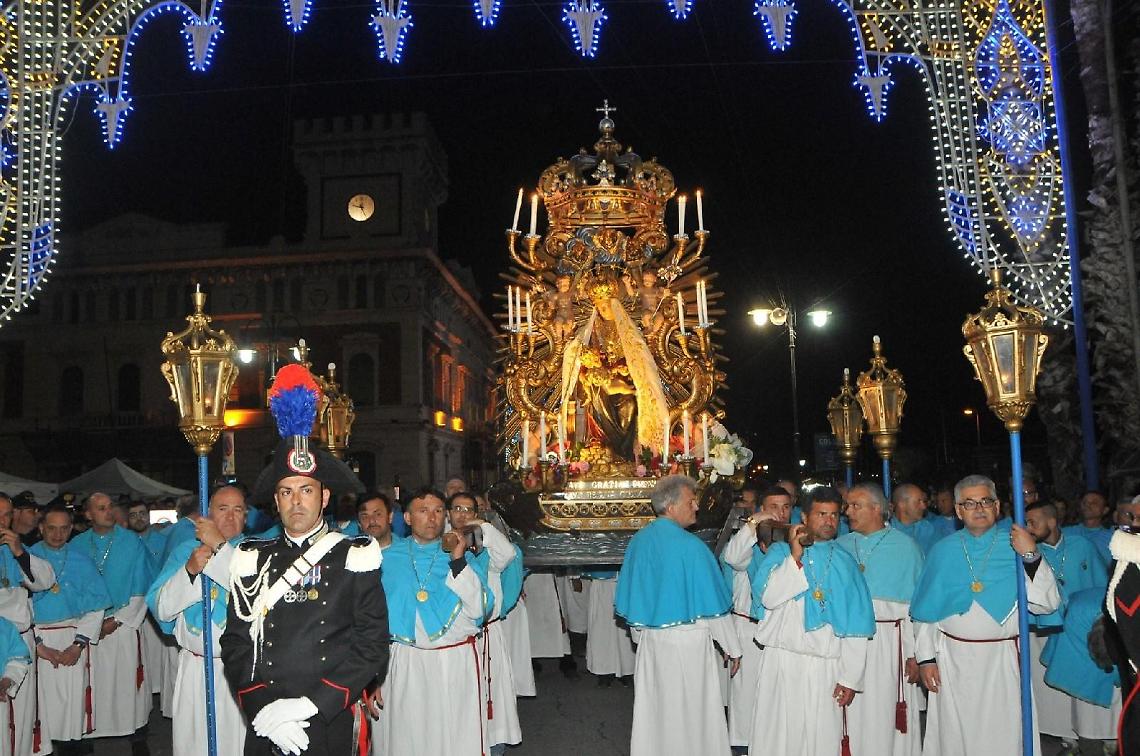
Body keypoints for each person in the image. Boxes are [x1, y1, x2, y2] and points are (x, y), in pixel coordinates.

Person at [222, 364, 389, 756]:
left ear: (325, 497)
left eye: (306, 490)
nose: (296, 501)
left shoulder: (355, 555)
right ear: (275, 500)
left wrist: (311, 705)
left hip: (328, 715)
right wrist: (263, 709)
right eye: (286, 492)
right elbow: (235, 644)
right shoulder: (251, 558)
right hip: (268, 721)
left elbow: (372, 646)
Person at [911, 474, 1062, 756]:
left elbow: (1047, 604)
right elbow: (926, 614)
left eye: (985, 501)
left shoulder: (1017, 545)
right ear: (958, 511)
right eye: (969, 503)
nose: (979, 508)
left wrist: (1031, 555)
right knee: (955, 735)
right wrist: (926, 658)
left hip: (1001, 662)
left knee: (1003, 735)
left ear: (997, 506)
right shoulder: (943, 552)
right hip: (951, 661)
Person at [615, 475, 742, 756]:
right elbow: (713, 608)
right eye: (690, 501)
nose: (696, 507)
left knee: (657, 710)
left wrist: (645, 634)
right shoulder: (692, 547)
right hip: (689, 644)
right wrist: (732, 648)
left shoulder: (639, 541)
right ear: (671, 506)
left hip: (651, 643)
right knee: (693, 711)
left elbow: (634, 599)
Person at [747, 485, 875, 756]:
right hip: (780, 662)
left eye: (834, 515)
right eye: (821, 514)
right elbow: (769, 598)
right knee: (777, 740)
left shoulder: (844, 562)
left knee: (821, 741)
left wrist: (850, 677)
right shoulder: (780, 554)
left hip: (824, 666)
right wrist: (795, 557)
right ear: (804, 517)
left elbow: (856, 625)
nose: (829, 521)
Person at [374, 487, 490, 756]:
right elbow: (371, 620)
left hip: (451, 664)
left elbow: (481, 609)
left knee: (453, 741)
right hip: (403, 663)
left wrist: (458, 562)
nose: (432, 517)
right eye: (423, 511)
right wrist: (372, 674)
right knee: (405, 739)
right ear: (407, 518)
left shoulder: (463, 557)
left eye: (438, 511)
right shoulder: (385, 560)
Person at [148, 485, 249, 756]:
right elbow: (162, 608)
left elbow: (251, 596)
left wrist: (219, 552)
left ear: (246, 516)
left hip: (240, 670)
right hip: (195, 668)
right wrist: (190, 571)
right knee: (195, 745)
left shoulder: (255, 553)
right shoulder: (185, 551)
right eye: (222, 509)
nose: (230, 517)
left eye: (237, 510)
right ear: (208, 515)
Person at [837, 483, 924, 756]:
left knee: (884, 712)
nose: (847, 511)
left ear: (876, 509)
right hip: (846, 642)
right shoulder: (839, 546)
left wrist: (915, 654)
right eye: (848, 505)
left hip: (890, 642)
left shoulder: (906, 547)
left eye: (855, 505)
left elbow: (916, 608)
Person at [70, 492, 155, 752]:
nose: (108, 512)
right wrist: (90, 623)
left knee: (127, 682)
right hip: (87, 625)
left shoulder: (131, 542)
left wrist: (116, 620)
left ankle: (136, 735)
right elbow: (70, 587)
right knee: (92, 682)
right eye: (101, 508)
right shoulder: (76, 545)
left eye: (110, 507)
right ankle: (89, 733)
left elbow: (143, 585)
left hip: (122, 624)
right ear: (88, 514)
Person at [1024, 499, 1109, 748]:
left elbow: (1101, 583)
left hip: (1080, 629)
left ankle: (1091, 734)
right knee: (1049, 686)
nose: (1028, 528)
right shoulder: (1029, 554)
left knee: (1079, 682)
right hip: (1044, 628)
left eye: (1033, 522)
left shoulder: (1082, 545)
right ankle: (1064, 737)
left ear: (1051, 521)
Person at [30, 505, 112, 756]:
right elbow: (17, 609)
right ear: (41, 527)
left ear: (71, 528)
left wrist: (78, 645)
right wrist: (38, 643)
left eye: (64, 528)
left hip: (73, 639)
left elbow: (96, 607)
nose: (57, 534)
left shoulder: (81, 560)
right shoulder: (26, 557)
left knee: (71, 704)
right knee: (39, 705)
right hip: (37, 640)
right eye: (51, 528)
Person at [448, 491, 522, 755]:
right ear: (448, 512)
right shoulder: (439, 543)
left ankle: (494, 748)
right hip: (454, 639)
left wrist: (482, 527)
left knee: (493, 698)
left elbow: (509, 555)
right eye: (456, 508)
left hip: (486, 633)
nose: (462, 514)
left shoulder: (488, 546)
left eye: (469, 509)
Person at [719, 484, 793, 750]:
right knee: (746, 693)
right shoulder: (747, 537)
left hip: (783, 629)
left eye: (786, 507)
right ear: (762, 509)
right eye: (774, 507)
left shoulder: (794, 539)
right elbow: (734, 557)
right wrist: (753, 525)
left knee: (778, 694)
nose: (781, 513)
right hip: (749, 627)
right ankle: (743, 746)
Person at [0, 492, 56, 756]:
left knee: (21, 717)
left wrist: (19, 552)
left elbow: (45, 580)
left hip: (20, 641)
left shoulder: (17, 548)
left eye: (7, 514)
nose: (3, 520)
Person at [1041, 587, 1121, 754]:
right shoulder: (1077, 615)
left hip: (1114, 629)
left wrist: (1120, 677)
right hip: (1077, 632)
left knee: (1118, 698)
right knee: (1086, 703)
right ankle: (1083, 745)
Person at [128, 501, 169, 699]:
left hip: (156, 604)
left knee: (156, 651)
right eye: (133, 515)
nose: (139, 518)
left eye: (142, 513)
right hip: (133, 605)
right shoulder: (124, 543)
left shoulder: (163, 541)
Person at [1063, 490, 1114, 565]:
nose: (1087, 505)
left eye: (1094, 503)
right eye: (1084, 502)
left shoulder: (1112, 537)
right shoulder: (1065, 533)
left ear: (1105, 510)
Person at [890, 483, 941, 554]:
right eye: (918, 502)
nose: (924, 507)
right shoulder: (886, 531)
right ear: (902, 504)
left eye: (923, 502)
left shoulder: (928, 529)